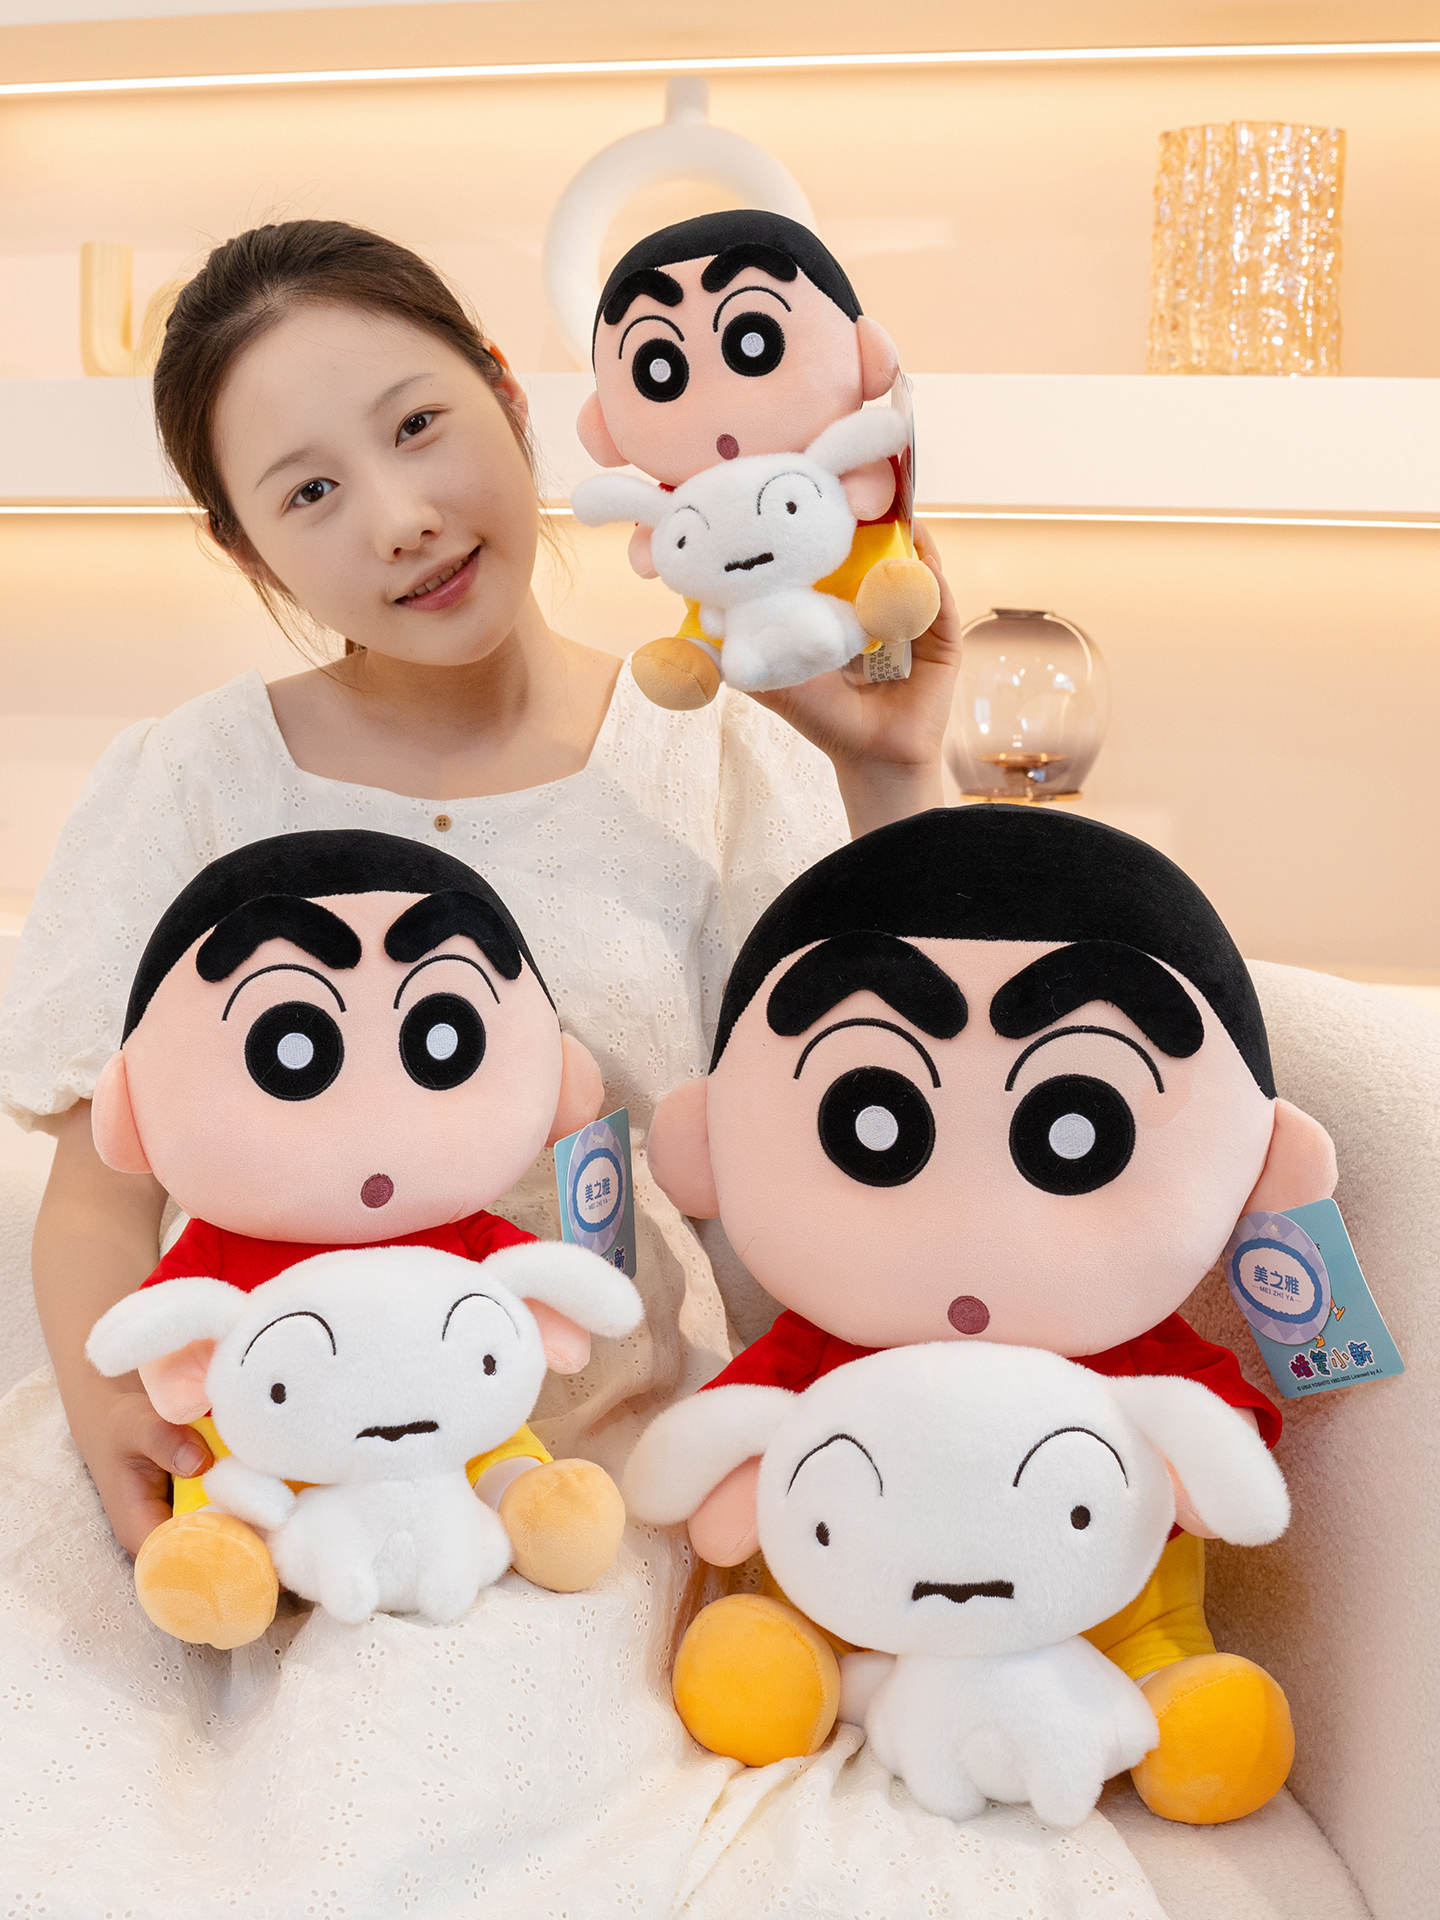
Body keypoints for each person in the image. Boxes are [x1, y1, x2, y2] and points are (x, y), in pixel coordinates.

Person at [5, 223, 1139, 1918]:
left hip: (580, 1467)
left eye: (418, 425)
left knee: (446, 1787)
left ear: (512, 401)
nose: (400, 517)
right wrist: (117, 1425)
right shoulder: (191, 781)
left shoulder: (724, 755)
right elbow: (101, 1188)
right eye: (308, 493)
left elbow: (891, 1133)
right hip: (239, 1454)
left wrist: (894, 772)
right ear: (244, 545)